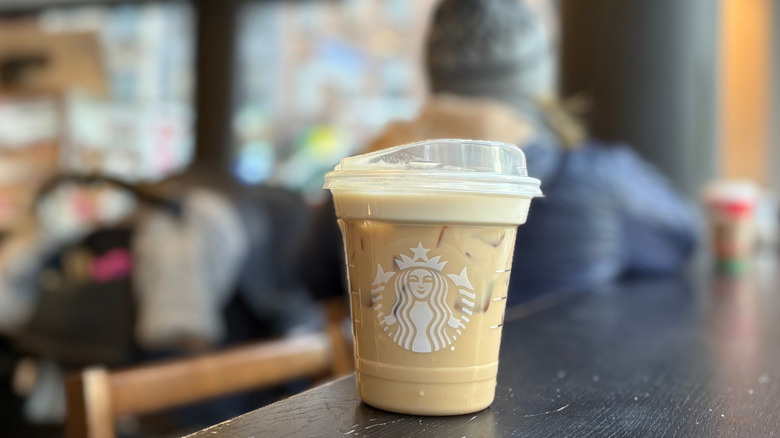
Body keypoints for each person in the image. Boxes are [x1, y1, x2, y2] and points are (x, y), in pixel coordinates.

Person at [302, 0, 700, 305]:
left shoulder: (369, 172)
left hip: (401, 401)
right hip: (568, 405)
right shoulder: (595, 178)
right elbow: (685, 236)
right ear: (536, 82)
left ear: (435, 77)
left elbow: (312, 279)